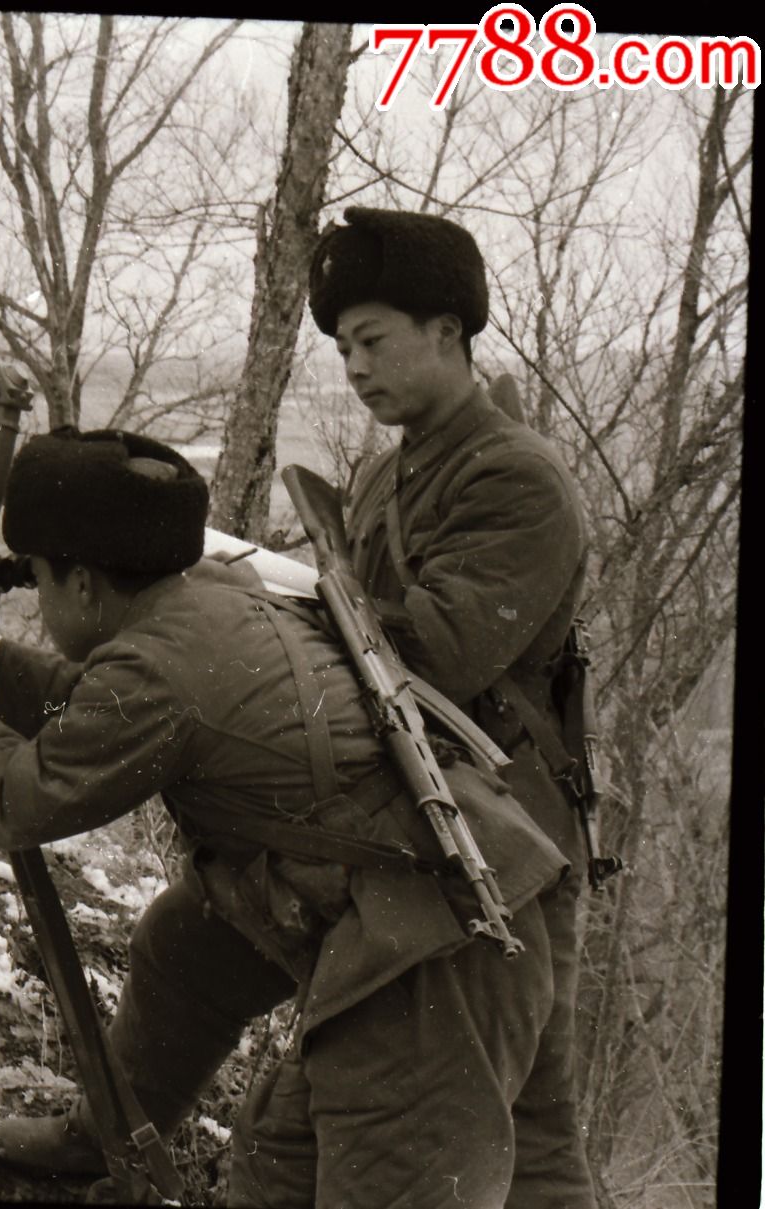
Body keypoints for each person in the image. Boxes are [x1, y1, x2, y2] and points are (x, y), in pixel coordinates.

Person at [0, 428, 572, 1207]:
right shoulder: (204, 601)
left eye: (37, 579)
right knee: (192, 965)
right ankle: (109, 1134)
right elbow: (109, 721)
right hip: (434, 895)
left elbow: (20, 800)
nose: (36, 596)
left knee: (364, 1177)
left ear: (83, 586)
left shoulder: (157, 665)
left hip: (434, 957)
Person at [308, 205, 596, 1205]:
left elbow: (441, 648)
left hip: (510, 834)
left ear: (446, 333)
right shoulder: (390, 471)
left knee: (525, 1127)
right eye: (343, 347)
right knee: (523, 1123)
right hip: (445, 823)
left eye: (372, 339)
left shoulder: (515, 476)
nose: (353, 365)